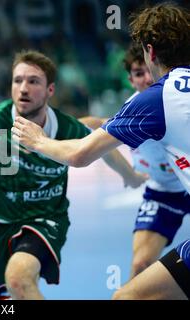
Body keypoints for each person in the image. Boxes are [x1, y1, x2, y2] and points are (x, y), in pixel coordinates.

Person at [11, 3, 190, 299]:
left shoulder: (156, 99)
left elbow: (80, 154)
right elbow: (100, 126)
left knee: (126, 297)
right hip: (165, 190)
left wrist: (37, 139)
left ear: (151, 52)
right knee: (144, 267)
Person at [0, 50, 146, 300]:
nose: (23, 88)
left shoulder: (67, 127)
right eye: (18, 81)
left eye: (33, 81)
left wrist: (132, 176)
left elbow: (103, 149)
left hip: (44, 219)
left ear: (50, 90)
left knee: (18, 279)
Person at [80, 42, 189, 280]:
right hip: (164, 192)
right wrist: (129, 175)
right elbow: (93, 125)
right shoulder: (132, 110)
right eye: (139, 74)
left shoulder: (176, 96)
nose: (147, 78)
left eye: (148, 70)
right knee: (140, 265)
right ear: (130, 80)